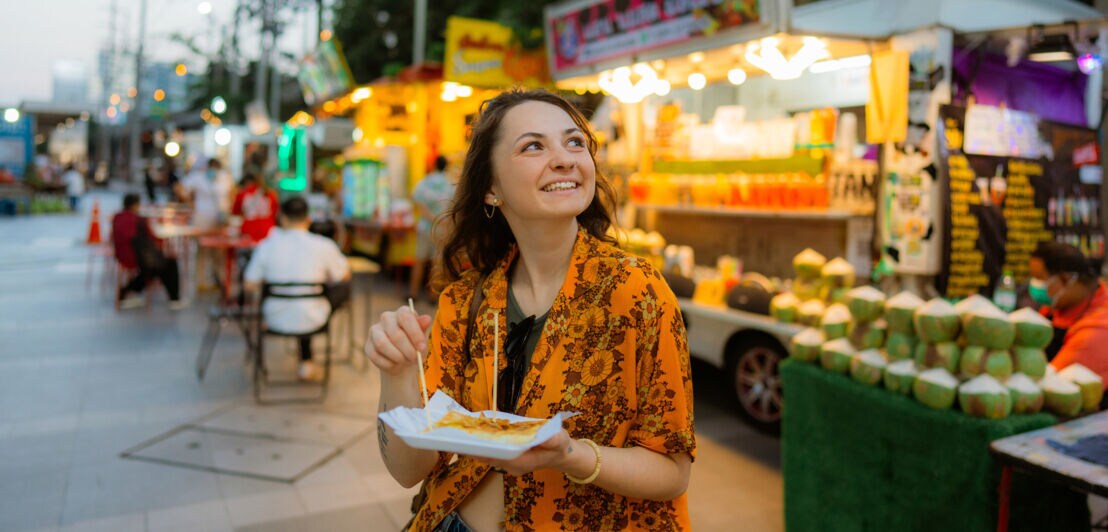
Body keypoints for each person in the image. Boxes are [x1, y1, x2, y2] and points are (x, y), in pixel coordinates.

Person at [366, 89, 695, 531]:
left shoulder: (635, 291)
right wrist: (397, 372)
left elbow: (672, 472)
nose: (564, 159)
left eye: (575, 142)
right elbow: (408, 470)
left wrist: (569, 455)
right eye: (533, 146)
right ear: (490, 190)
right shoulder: (464, 302)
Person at [243, 196, 351, 380]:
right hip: (313, 317)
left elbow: (249, 284)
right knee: (338, 290)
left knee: (300, 297)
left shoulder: (266, 246)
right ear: (308, 219)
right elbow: (344, 275)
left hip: (274, 317)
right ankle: (307, 359)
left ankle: (306, 359)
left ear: (282, 218)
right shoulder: (323, 245)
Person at [1029, 242, 1108, 390]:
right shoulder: (1055, 307)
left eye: (1040, 279)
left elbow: (1053, 384)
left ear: (1066, 279)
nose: (1034, 285)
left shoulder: (1098, 330)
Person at [111, 193, 186, 310]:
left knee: (154, 269)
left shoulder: (117, 217)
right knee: (168, 265)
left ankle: (127, 292)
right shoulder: (138, 220)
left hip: (121, 255)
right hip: (139, 256)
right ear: (135, 205)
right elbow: (152, 236)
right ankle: (174, 299)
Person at [410, 155, 456, 301]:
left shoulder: (424, 182)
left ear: (434, 165)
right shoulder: (449, 184)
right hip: (441, 228)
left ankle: (414, 293)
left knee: (419, 261)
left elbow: (419, 203)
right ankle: (432, 295)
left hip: (424, 226)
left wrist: (430, 217)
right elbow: (452, 206)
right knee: (437, 263)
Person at [181, 156, 234, 229]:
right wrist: (190, 203)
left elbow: (231, 193)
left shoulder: (225, 177)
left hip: (221, 216)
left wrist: (229, 209)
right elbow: (182, 188)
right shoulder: (198, 177)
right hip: (203, 215)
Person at [231, 170, 279, 242]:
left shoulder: (243, 194)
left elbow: (235, 211)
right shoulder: (270, 194)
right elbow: (276, 212)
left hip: (249, 230)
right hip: (268, 229)